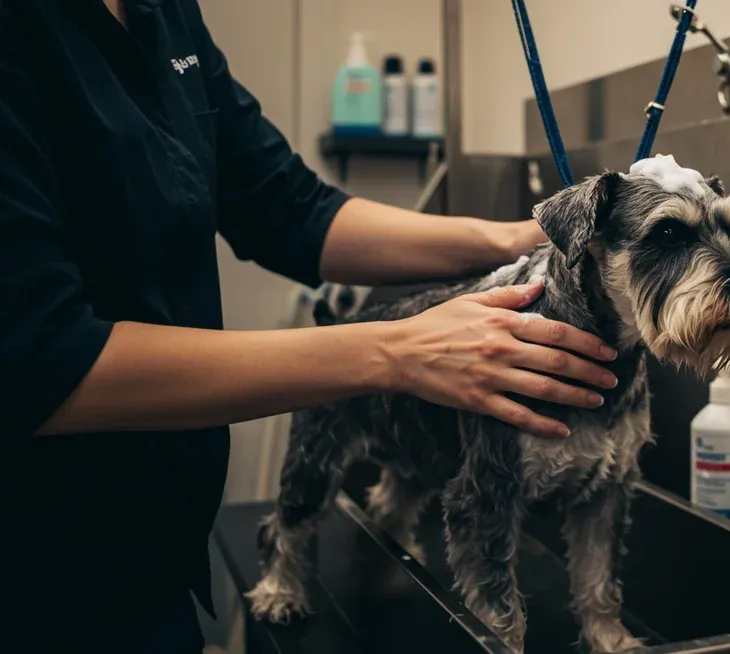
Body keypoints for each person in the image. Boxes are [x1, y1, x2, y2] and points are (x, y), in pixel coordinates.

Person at [0, 0, 618, 651]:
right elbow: (42, 361)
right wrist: (396, 351)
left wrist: (521, 236)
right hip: (32, 578)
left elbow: (288, 208)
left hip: (152, 561)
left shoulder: (165, 14)